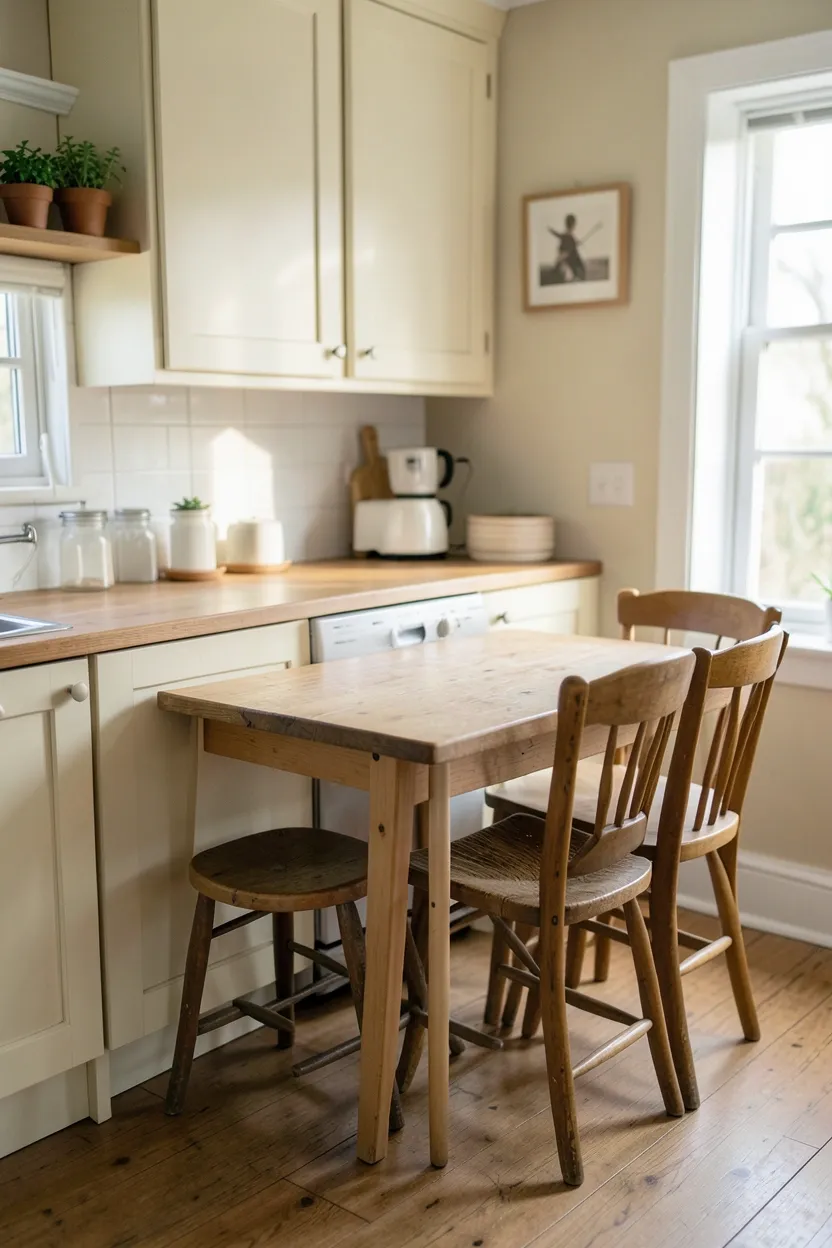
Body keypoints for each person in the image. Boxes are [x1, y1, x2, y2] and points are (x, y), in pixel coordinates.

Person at [548, 214, 586, 282]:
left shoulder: (567, 236)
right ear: (573, 225)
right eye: (574, 224)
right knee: (579, 273)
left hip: (569, 261)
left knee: (580, 271)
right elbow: (566, 251)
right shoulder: (568, 237)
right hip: (570, 261)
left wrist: (576, 242)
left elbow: (560, 236)